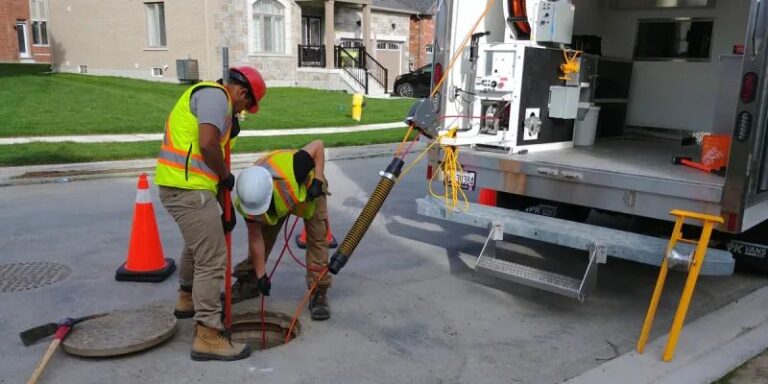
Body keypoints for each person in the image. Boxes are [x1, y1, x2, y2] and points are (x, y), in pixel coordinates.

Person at [154, 66, 266, 361]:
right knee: (213, 258)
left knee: (197, 245)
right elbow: (207, 146)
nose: (241, 113)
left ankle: (187, 298)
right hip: (187, 189)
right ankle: (209, 334)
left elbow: (207, 164)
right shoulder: (216, 97)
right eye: (245, 108)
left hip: (186, 186)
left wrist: (223, 205)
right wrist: (227, 177)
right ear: (241, 93)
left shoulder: (212, 101)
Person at [231, 140, 333, 321]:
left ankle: (318, 290)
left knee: (317, 239)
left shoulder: (295, 167)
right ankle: (251, 281)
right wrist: (262, 275)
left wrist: (317, 180)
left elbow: (318, 145)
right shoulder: (248, 197)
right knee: (264, 235)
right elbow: (255, 239)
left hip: (310, 189)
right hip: (281, 196)